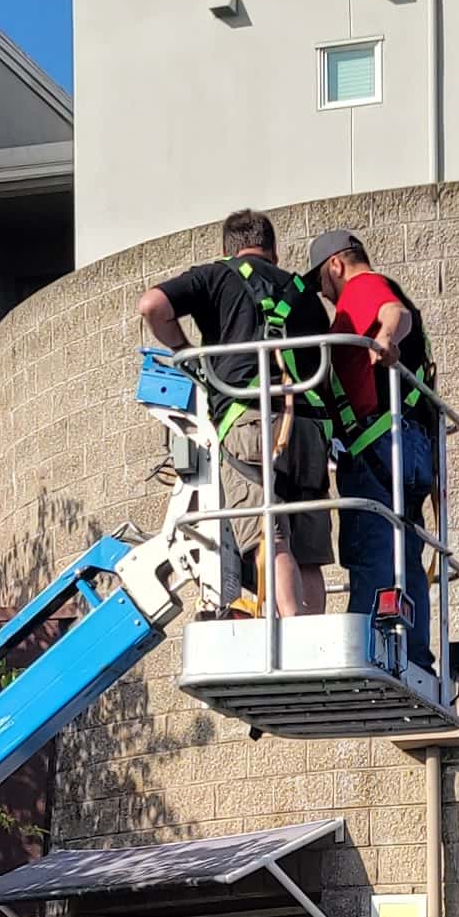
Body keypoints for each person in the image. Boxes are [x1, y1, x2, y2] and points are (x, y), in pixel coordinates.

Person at [137, 209, 345, 616]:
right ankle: (313, 634)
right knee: (308, 551)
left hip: (250, 420)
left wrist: (186, 353)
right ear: (275, 251)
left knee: (270, 532)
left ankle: (290, 631)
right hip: (308, 426)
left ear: (226, 249)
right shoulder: (302, 291)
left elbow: (151, 305)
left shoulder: (214, 276)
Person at [311, 226, 447, 665]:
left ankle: (369, 650)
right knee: (403, 552)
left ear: (336, 265)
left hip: (379, 445)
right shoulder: (385, 291)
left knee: (371, 547)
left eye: (323, 287)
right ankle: (416, 655)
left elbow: (393, 312)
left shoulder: (363, 286)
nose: (329, 299)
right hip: (407, 445)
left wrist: (385, 336)